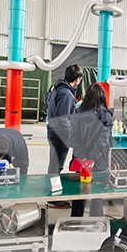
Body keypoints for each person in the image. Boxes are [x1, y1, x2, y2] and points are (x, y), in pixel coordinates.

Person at [67, 83, 113, 217]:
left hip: (79, 161)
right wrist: (92, 157)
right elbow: (103, 141)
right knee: (97, 196)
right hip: (99, 162)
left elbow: (72, 138)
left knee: (78, 194)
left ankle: (75, 221)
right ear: (102, 97)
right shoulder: (105, 116)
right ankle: (96, 223)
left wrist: (84, 157)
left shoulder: (77, 113)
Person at [46, 64, 83, 173]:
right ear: (77, 79)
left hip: (53, 131)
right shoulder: (66, 94)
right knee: (56, 167)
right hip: (59, 134)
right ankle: (52, 184)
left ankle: (51, 183)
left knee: (54, 166)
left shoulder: (57, 89)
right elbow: (61, 119)